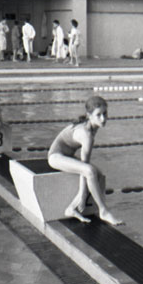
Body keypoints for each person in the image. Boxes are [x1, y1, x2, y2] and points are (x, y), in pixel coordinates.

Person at [47, 96, 123, 226]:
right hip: (55, 157)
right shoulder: (86, 134)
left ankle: (71, 208)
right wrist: (82, 194)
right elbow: (85, 167)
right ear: (89, 115)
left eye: (105, 113)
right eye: (98, 115)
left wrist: (82, 194)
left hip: (67, 156)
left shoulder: (91, 127)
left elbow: (85, 165)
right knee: (90, 171)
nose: (103, 119)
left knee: (98, 174)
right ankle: (103, 211)